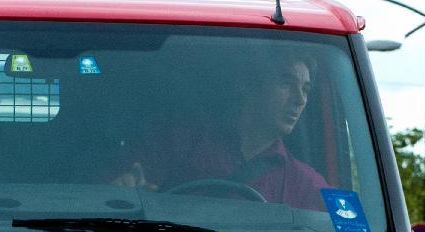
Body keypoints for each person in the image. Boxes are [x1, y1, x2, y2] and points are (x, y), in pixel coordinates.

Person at [113, 52, 329, 210]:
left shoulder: (305, 183)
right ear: (248, 85)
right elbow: (102, 195)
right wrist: (123, 190)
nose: (300, 100)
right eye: (286, 83)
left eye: (306, 90)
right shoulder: (176, 140)